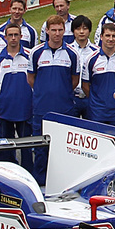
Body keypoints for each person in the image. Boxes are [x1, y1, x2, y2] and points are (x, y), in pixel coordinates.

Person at [28, 17, 77, 182]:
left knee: (63, 150)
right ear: (47, 31)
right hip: (41, 110)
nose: (57, 34)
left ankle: (62, 182)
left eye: (60, 30)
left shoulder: (72, 53)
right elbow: (31, 79)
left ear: (65, 31)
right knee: (41, 150)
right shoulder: (36, 53)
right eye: (53, 30)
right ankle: (41, 183)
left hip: (64, 110)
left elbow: (74, 81)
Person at [0, 22, 35, 165]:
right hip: (5, 108)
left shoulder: (30, 55)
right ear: (5, 37)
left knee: (26, 145)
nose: (13, 38)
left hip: (25, 108)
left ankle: (29, 172)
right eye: (10, 35)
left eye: (16, 35)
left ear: (21, 36)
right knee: (6, 145)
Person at [81, 24, 115, 125]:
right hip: (97, 112)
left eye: (114, 36)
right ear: (101, 37)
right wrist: (97, 101)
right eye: (107, 35)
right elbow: (85, 85)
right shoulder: (91, 59)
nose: (110, 39)